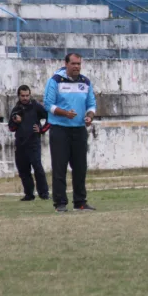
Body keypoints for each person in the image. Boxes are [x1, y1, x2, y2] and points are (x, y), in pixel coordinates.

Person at [44, 53, 97, 213]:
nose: (77, 67)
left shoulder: (85, 82)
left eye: (79, 64)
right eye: (73, 64)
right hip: (60, 129)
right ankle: (60, 203)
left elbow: (92, 104)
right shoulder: (55, 81)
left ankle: (80, 202)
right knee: (60, 167)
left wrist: (89, 116)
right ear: (66, 64)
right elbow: (48, 105)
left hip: (79, 130)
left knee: (80, 167)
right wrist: (64, 113)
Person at [7, 85, 51, 201]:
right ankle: (29, 194)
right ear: (19, 96)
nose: (25, 98)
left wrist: (42, 130)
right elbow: (11, 128)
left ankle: (44, 193)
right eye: (23, 96)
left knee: (38, 168)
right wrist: (17, 122)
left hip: (33, 143)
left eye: (27, 95)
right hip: (20, 144)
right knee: (23, 170)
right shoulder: (16, 110)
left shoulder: (36, 106)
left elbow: (50, 118)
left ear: (30, 95)